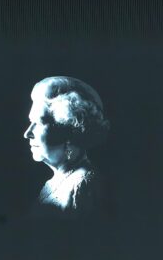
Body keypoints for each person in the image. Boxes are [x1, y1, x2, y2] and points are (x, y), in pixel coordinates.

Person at [23, 76, 110, 214]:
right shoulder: (57, 181)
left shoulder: (82, 186)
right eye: (30, 122)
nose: (27, 133)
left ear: (68, 131)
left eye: (39, 123)